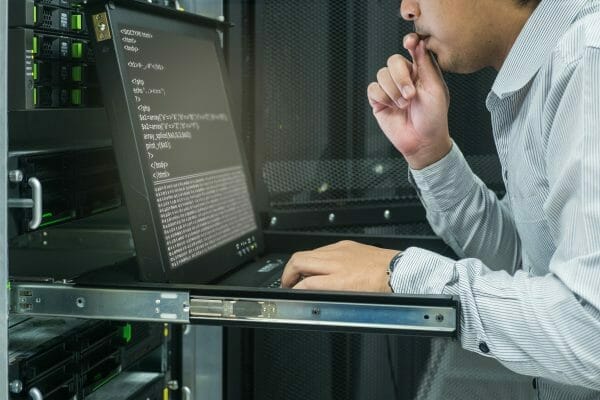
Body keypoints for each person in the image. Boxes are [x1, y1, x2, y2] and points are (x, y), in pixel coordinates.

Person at [280, 0, 600, 398]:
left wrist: (400, 274)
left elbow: (592, 327)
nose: (406, 9)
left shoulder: (587, 61)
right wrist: (430, 154)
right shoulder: (549, 69)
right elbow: (526, 261)